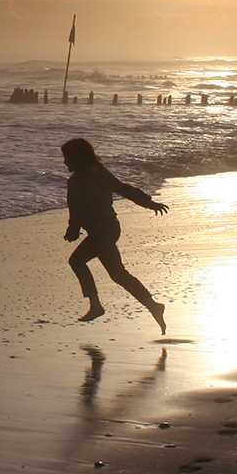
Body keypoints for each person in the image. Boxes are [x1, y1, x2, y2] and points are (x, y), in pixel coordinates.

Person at [61, 137, 168, 332]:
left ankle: (96, 306)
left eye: (67, 158)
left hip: (102, 232)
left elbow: (77, 209)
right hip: (110, 228)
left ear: (77, 158)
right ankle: (153, 306)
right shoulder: (100, 174)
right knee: (118, 274)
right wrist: (149, 203)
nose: (65, 162)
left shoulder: (78, 181)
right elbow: (125, 190)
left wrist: (73, 230)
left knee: (77, 262)